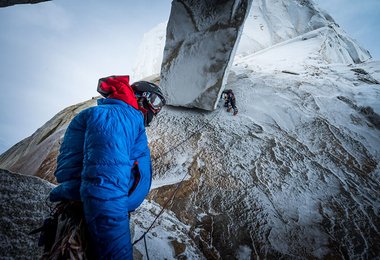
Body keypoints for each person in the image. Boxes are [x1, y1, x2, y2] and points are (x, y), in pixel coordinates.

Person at [45, 75, 166, 259]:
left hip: (84, 214)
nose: (155, 111)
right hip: (87, 221)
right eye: (155, 102)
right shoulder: (120, 117)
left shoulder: (119, 116)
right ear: (142, 97)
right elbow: (104, 188)